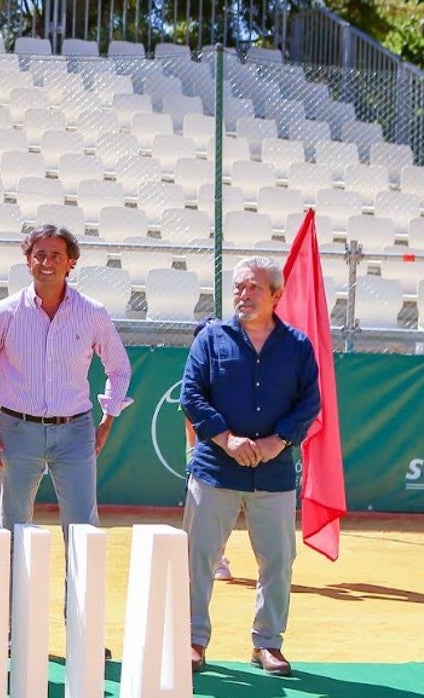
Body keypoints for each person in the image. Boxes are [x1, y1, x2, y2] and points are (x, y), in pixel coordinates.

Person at [181, 257, 320, 677]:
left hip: (274, 474)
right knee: (198, 558)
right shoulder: (210, 339)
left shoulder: (297, 345)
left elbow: (309, 402)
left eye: (253, 287)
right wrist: (227, 439)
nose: (243, 294)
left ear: (276, 296)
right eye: (239, 287)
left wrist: (278, 440)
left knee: (277, 560)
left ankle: (268, 644)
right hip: (214, 470)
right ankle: (192, 640)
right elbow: (191, 394)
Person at [0, 224, 132, 539]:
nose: (47, 263)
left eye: (56, 255)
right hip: (17, 431)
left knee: (83, 529)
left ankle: (79, 591)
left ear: (71, 262)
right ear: (28, 261)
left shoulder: (93, 313)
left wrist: (108, 421)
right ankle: (12, 589)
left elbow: (119, 368)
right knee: (12, 525)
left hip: (76, 433)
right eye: (39, 255)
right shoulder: (4, 313)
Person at [185, 316, 233, 582]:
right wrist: (191, 454)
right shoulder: (195, 376)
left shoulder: (231, 374)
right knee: (199, 515)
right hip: (202, 457)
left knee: (222, 514)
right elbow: (189, 422)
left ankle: (219, 557)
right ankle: (198, 560)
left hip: (225, 455)